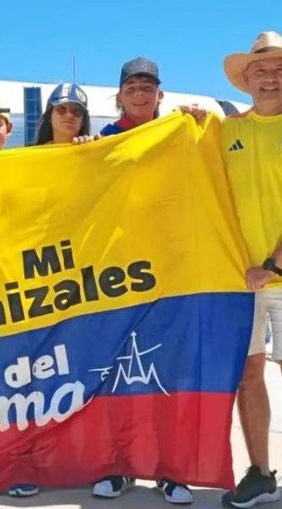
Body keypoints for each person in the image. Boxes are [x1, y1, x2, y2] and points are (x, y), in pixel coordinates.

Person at [184, 31, 282, 509]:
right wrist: (186, 123)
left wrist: (272, 264)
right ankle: (261, 472)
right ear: (246, 80)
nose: (270, 79)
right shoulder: (227, 130)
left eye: (279, 71)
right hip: (234, 280)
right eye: (261, 71)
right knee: (248, 375)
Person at [88, 57, 192, 507]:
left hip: (169, 270)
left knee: (166, 373)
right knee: (114, 375)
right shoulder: (100, 142)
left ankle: (171, 470)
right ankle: (118, 465)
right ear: (119, 96)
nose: (140, 93)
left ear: (160, 94)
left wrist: (204, 123)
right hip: (116, 275)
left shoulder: (181, 133)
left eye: (148, 86)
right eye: (132, 86)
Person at [99, 57, 163, 136]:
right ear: (119, 98)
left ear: (160, 96)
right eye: (131, 89)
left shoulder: (170, 134)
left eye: (147, 88)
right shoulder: (106, 138)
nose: (139, 93)